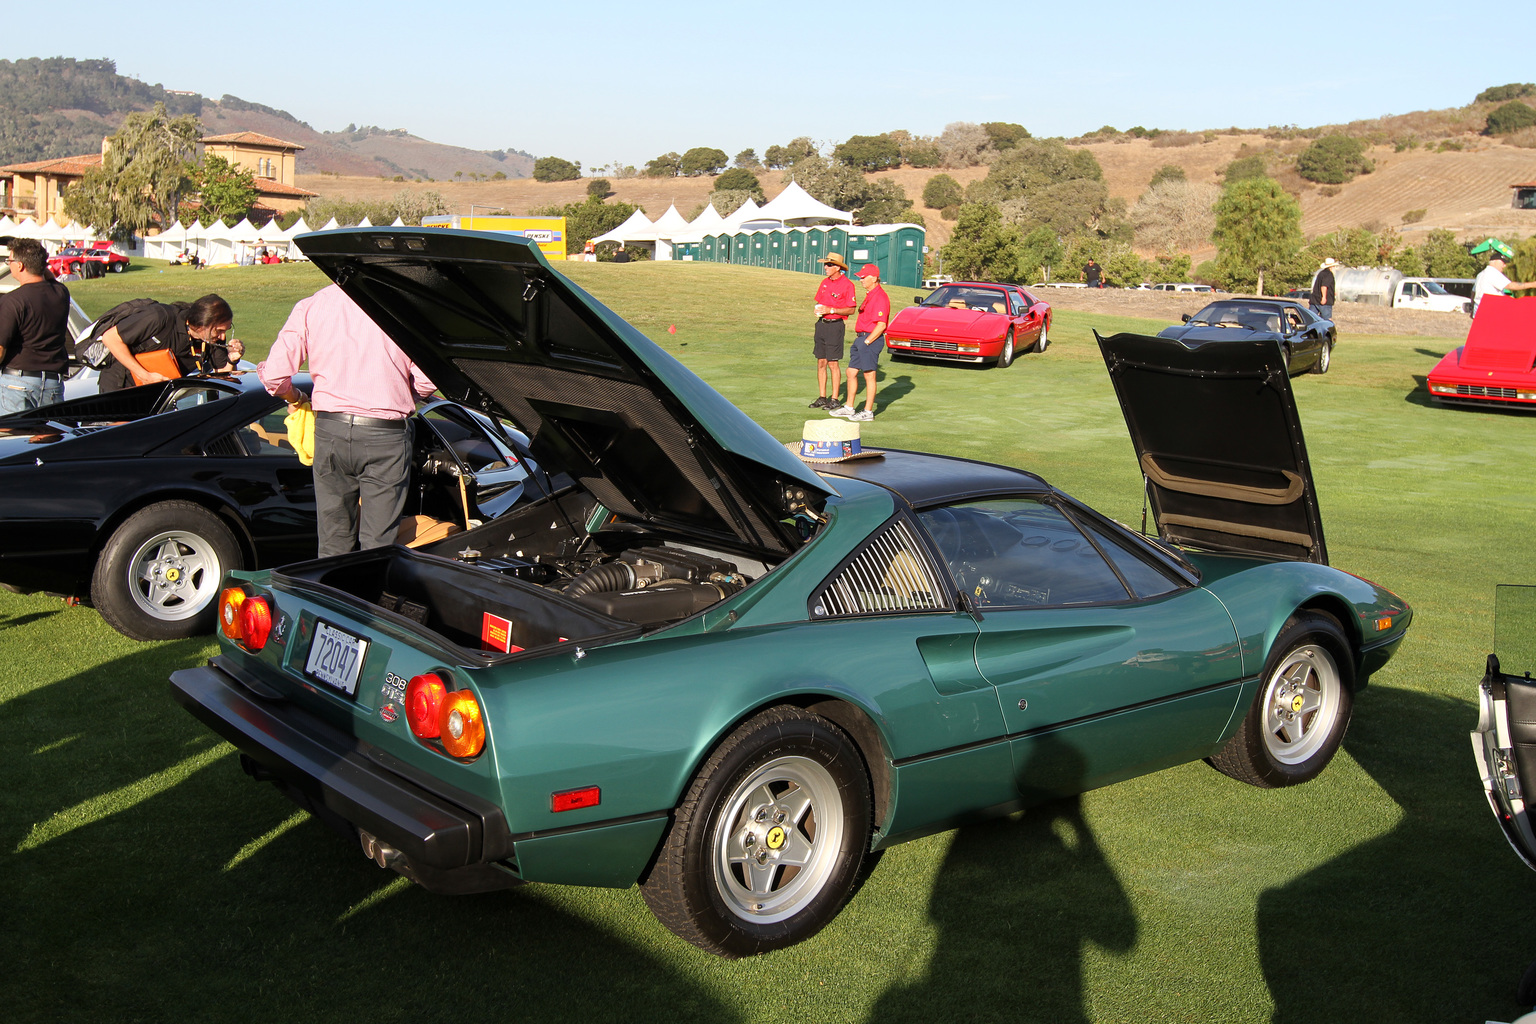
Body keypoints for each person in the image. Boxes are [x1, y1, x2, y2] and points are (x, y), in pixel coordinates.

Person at [259, 284, 437, 557]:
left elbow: (273, 376)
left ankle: (331, 595)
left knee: (333, 540)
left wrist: (295, 396)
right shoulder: (401, 305)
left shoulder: (314, 304)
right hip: (384, 434)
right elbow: (428, 377)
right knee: (378, 544)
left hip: (331, 429)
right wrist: (405, 396)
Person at [97, 295, 244, 393]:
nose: (222, 336)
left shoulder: (212, 337)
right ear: (202, 324)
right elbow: (110, 338)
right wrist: (145, 376)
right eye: (219, 330)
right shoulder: (159, 317)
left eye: (226, 330)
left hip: (158, 394)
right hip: (120, 384)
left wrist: (232, 359)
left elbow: (222, 374)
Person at [0, 238, 71, 413]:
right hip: (53, 384)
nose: (9, 265)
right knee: (50, 439)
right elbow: (48, 277)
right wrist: (37, 263)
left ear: (20, 265)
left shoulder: (13, 300)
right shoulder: (61, 292)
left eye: (9, 261)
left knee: (14, 439)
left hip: (17, 383)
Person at [831, 264, 888, 422]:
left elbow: (881, 325)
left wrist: (867, 342)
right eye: (860, 277)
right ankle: (849, 407)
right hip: (861, 338)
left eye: (864, 277)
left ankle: (868, 411)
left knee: (869, 375)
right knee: (851, 372)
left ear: (874, 278)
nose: (861, 280)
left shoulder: (880, 297)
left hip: (870, 339)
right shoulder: (870, 294)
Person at [810, 252, 856, 410]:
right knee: (821, 361)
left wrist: (831, 310)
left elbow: (851, 310)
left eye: (829, 265)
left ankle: (835, 398)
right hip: (821, 324)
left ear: (837, 267)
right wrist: (818, 311)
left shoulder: (847, 285)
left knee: (832, 363)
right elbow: (820, 302)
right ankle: (822, 396)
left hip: (835, 325)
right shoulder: (824, 282)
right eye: (825, 264)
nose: (826, 267)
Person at [1470, 238, 1536, 316]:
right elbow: (1510, 285)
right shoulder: (1493, 273)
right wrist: (1532, 284)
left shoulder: (1481, 274)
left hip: (1479, 311)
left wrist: (1472, 308)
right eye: (1503, 263)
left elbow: (1473, 293)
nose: (1504, 265)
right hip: (1490, 312)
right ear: (1495, 261)